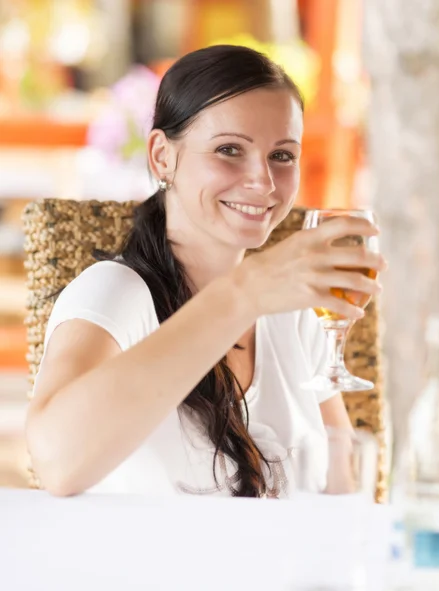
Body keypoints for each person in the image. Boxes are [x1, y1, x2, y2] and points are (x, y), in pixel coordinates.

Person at [26, 45, 384, 498]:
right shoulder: (115, 294)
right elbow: (57, 462)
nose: (264, 181)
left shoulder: (294, 319)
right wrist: (244, 294)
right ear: (161, 156)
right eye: (229, 149)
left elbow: (344, 498)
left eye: (283, 155)